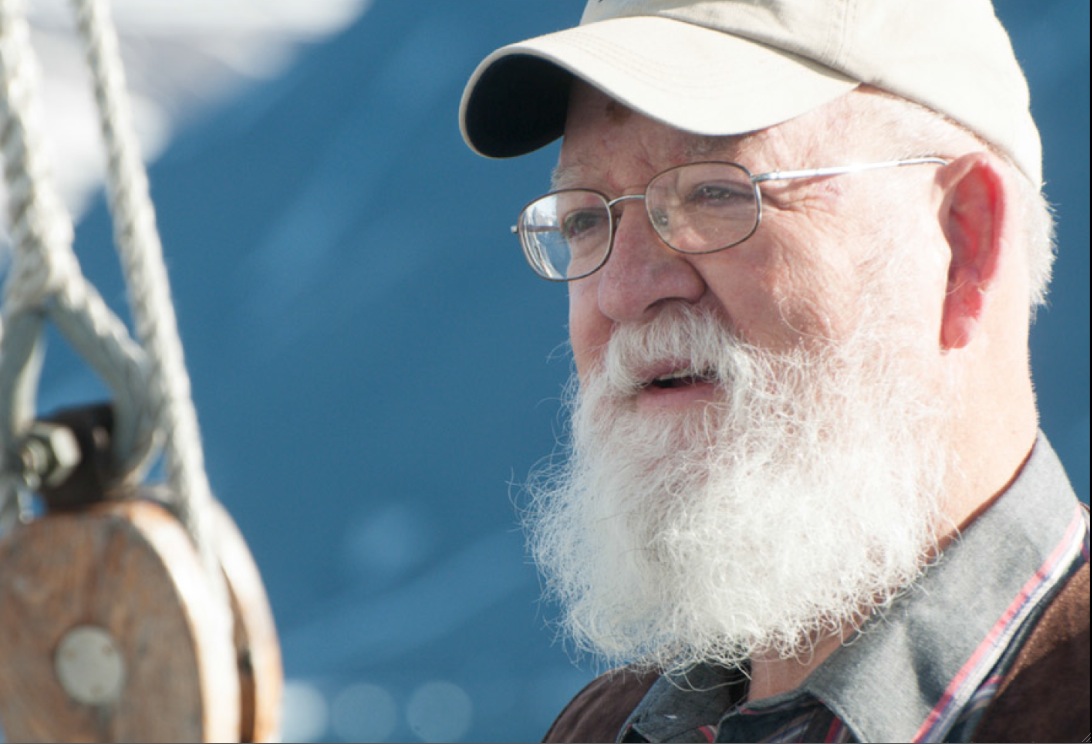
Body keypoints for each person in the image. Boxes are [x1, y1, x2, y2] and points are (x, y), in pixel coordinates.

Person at [460, 1, 1089, 741]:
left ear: (962, 241)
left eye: (715, 193)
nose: (623, 290)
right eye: (585, 219)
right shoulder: (606, 729)